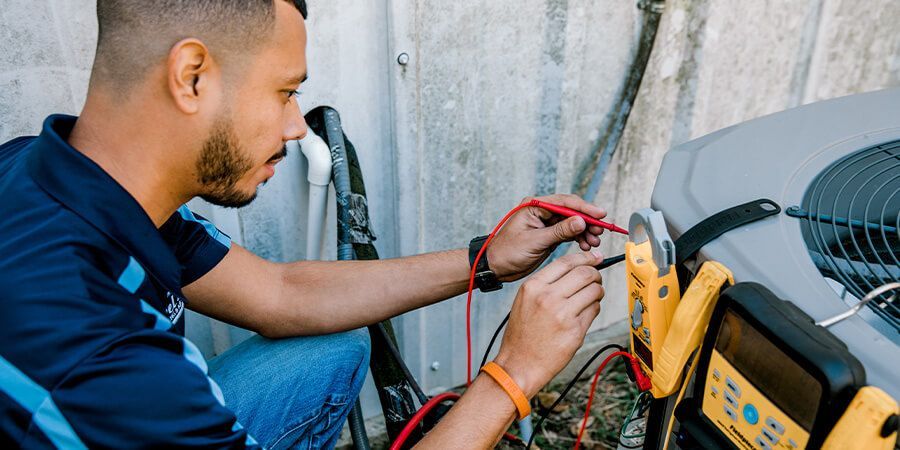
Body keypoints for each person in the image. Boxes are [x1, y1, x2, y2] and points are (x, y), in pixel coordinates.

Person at [0, 1, 610, 448]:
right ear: (191, 76)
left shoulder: (48, 169)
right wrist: (513, 375)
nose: (297, 126)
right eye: (284, 92)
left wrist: (486, 260)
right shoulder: (99, 354)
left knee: (334, 343)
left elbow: (280, 294)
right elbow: (115, 371)